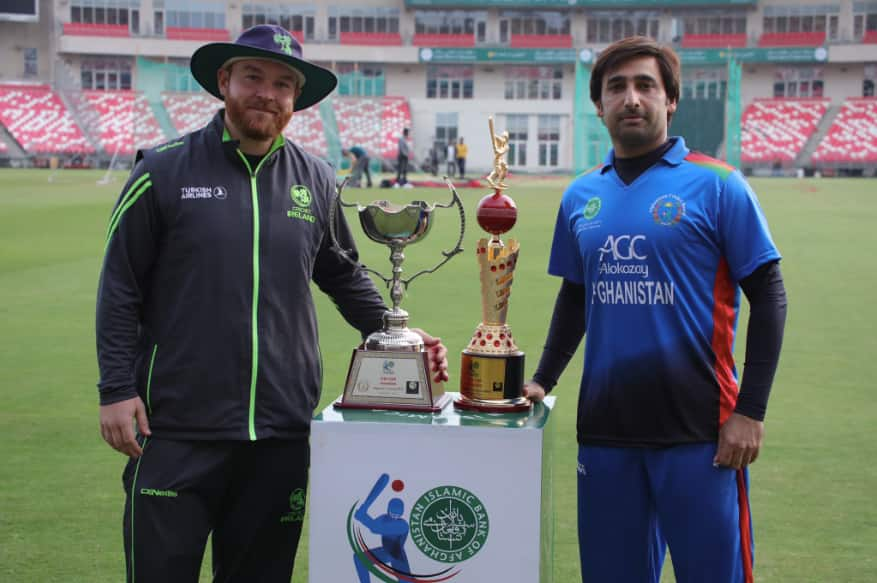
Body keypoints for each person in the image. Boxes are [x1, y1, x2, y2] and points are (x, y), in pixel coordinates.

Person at [95, 25, 449, 583]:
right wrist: (116, 389)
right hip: (175, 431)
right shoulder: (161, 171)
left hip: (280, 436)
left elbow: (344, 275)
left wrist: (399, 338)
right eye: (253, 77)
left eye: (283, 84)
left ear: (294, 100)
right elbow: (119, 286)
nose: (268, 93)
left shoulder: (317, 179)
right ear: (224, 81)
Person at [523, 36, 787, 583]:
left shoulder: (718, 185)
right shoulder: (580, 197)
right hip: (606, 433)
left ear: (671, 100)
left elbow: (770, 296)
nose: (632, 98)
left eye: (646, 85)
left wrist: (751, 411)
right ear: (599, 106)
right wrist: (543, 380)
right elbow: (576, 294)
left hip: (702, 436)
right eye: (617, 87)